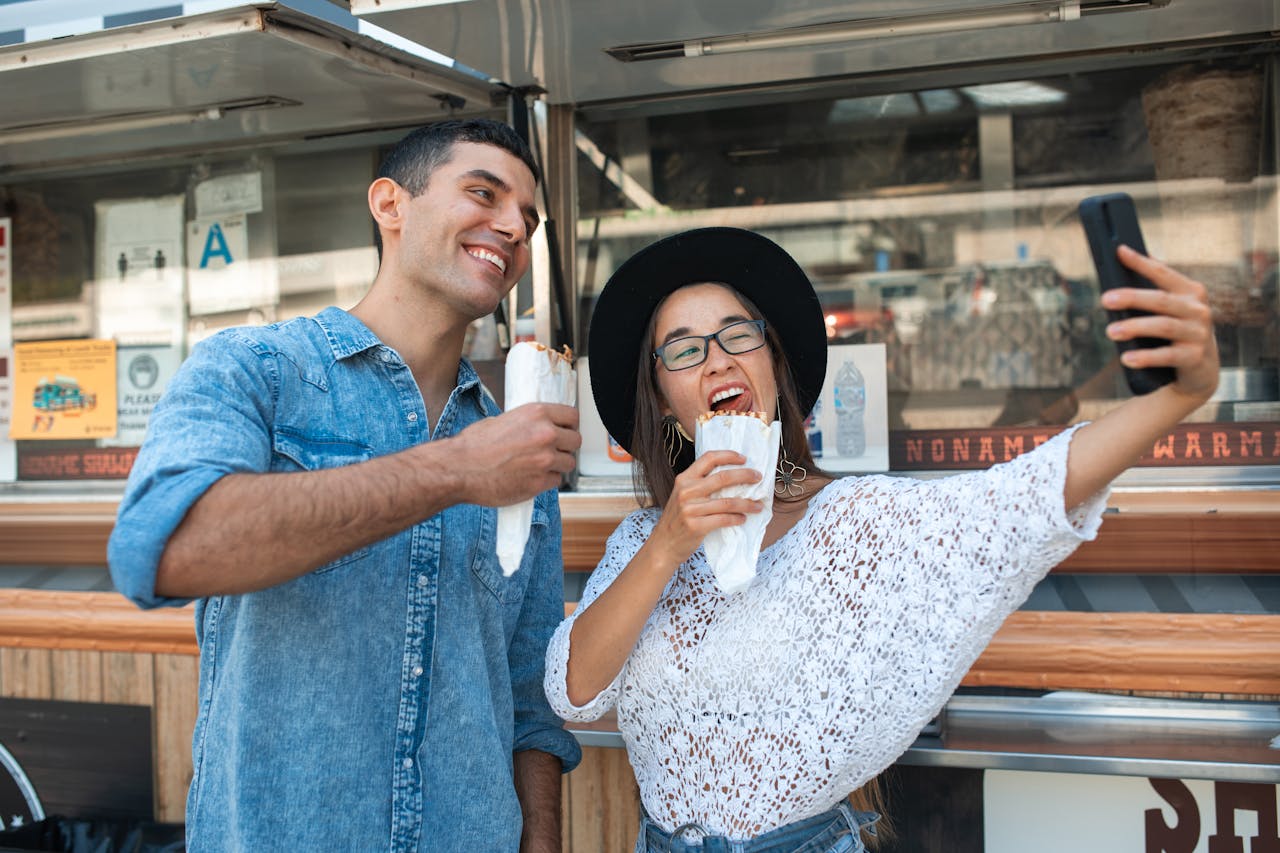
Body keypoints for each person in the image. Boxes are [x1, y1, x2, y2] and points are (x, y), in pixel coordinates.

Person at [544, 227, 1218, 853]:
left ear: (775, 364)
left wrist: (1177, 398)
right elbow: (572, 691)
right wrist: (668, 541)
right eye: (685, 348)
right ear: (664, 398)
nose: (717, 359)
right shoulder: (641, 539)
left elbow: (1021, 498)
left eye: (737, 335)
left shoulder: (853, 521)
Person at [109, 119, 582, 852]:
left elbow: (529, 702)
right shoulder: (254, 369)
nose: (513, 226)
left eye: (528, 216)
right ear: (390, 204)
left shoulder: (520, 449)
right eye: (483, 193)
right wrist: (456, 470)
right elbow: (163, 549)